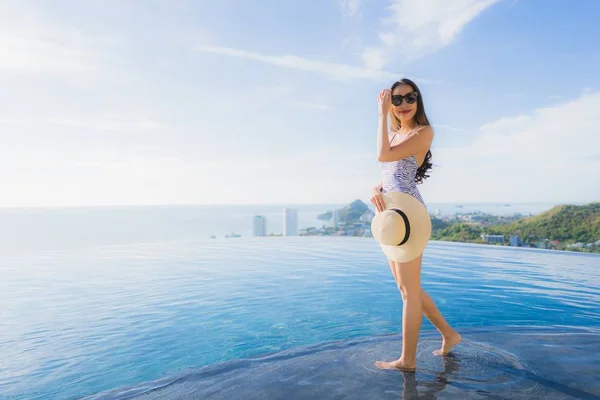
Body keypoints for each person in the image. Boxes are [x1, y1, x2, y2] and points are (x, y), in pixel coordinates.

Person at [371, 78, 461, 372]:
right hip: (392, 216)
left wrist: (381, 114)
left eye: (409, 98)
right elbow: (390, 172)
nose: (403, 104)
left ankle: (407, 360)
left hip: (409, 216)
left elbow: (382, 156)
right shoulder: (396, 136)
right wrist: (376, 189)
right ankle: (449, 335)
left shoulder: (424, 132)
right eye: (396, 100)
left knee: (409, 290)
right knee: (405, 287)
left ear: (418, 101)